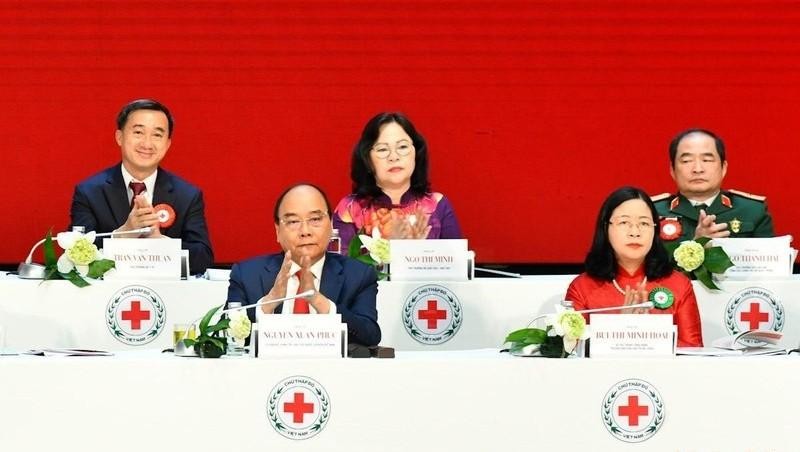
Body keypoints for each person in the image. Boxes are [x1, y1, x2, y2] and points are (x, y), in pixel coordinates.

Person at [227, 183, 381, 347]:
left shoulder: (358, 275)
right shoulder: (247, 275)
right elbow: (223, 335)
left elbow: (370, 335)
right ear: (277, 231)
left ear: (330, 225)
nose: (305, 231)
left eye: (315, 219)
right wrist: (268, 303)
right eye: (293, 221)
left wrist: (319, 301)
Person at [70, 99, 213, 275]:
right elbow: (76, 254)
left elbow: (203, 257)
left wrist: (161, 243)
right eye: (138, 132)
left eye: (157, 135)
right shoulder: (89, 192)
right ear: (119, 137)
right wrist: (123, 234)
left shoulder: (187, 195)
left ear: (168, 144)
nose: (147, 143)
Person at [566, 186, 703, 347]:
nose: (635, 232)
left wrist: (646, 333)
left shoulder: (678, 284)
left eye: (644, 223)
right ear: (605, 227)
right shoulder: (582, 288)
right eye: (624, 222)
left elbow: (694, 352)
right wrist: (622, 329)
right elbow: (571, 353)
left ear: (655, 229)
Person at [333, 112, 462, 251]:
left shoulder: (437, 205)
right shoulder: (350, 209)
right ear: (368, 160)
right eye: (382, 149)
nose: (394, 157)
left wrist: (416, 251)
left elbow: (456, 267)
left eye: (402, 147)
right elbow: (341, 269)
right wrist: (391, 246)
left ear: (416, 154)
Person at [652, 128, 774, 243]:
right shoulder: (652, 213)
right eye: (686, 161)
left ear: (723, 168)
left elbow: (768, 263)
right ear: (672, 170)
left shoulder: (752, 210)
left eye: (707, 160)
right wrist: (697, 244)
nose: (698, 169)